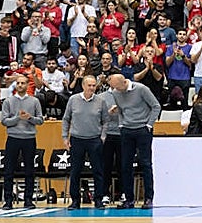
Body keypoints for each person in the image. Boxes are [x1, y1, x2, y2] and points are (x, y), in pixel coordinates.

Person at [106, 72, 162, 209]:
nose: (116, 90)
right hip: (126, 130)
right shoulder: (115, 92)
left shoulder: (141, 89)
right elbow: (123, 109)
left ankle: (149, 198)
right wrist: (120, 122)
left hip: (142, 129)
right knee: (125, 165)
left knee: (145, 163)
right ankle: (129, 199)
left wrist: (149, 125)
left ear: (124, 82)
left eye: (117, 87)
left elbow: (156, 106)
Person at [61, 75, 109, 209]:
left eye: (94, 85)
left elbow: (106, 120)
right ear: (83, 86)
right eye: (89, 85)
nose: (92, 88)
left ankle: (98, 199)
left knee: (98, 171)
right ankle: (75, 200)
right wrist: (65, 137)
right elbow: (66, 119)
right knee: (75, 171)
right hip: (77, 139)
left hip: (95, 139)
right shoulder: (73, 99)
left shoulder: (101, 101)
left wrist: (103, 137)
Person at [0, 72, 44, 209]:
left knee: (29, 170)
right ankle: (8, 200)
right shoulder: (8, 101)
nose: (20, 85)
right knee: (9, 170)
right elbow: (4, 121)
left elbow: (40, 120)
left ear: (27, 84)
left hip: (29, 138)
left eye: (23, 83)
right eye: (18, 83)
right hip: (13, 138)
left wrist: (30, 118)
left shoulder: (34, 101)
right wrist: (18, 118)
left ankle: (28, 199)